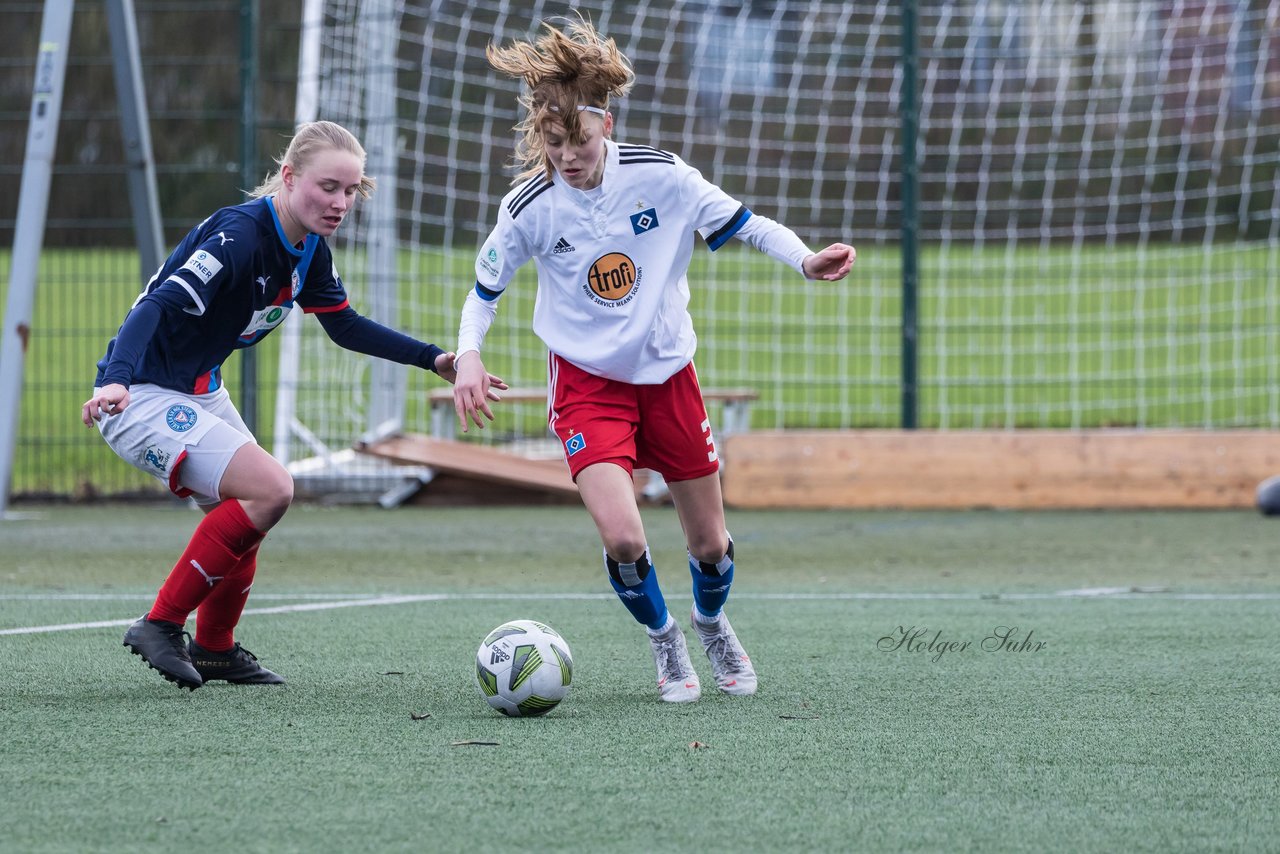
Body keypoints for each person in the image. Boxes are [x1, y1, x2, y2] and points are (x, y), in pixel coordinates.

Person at [452, 19, 855, 703]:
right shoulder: (528, 208)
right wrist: (467, 354)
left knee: (709, 545)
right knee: (624, 536)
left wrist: (806, 260)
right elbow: (483, 292)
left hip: (670, 376)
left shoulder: (663, 178)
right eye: (554, 144)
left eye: (579, 140)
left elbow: (746, 223)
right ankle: (666, 641)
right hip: (586, 384)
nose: (568, 157)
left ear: (604, 124)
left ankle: (711, 621)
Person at [82, 120, 506, 691]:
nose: (340, 203)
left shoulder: (308, 250)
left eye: (351, 191)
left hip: (197, 390)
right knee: (271, 489)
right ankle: (160, 624)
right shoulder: (238, 237)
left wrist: (436, 359)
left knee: (249, 515)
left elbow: (346, 327)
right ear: (288, 176)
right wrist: (114, 381)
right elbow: (156, 307)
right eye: (328, 187)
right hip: (139, 396)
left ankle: (215, 649)